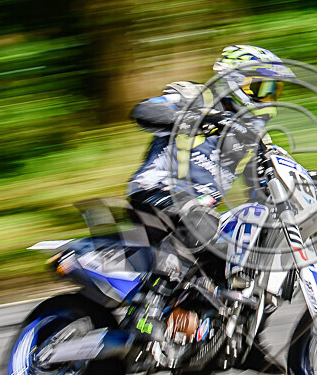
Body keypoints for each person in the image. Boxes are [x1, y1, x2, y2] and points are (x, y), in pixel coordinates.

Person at [126, 45, 294, 248]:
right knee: (203, 227)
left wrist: (309, 185)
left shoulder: (254, 136)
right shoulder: (195, 96)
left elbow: (262, 187)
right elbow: (143, 110)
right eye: (263, 88)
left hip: (203, 209)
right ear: (234, 81)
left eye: (275, 90)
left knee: (248, 237)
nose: (269, 97)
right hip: (156, 191)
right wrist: (197, 119)